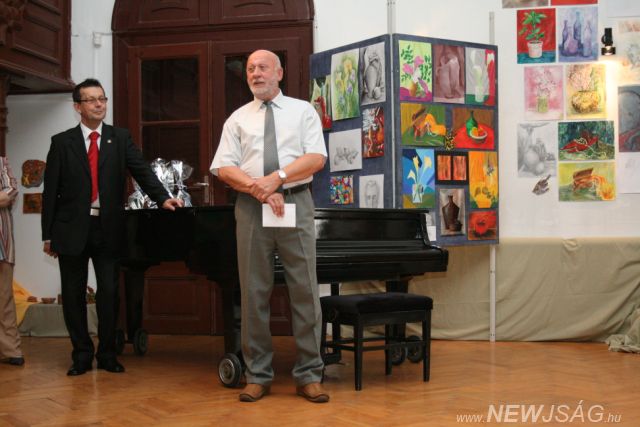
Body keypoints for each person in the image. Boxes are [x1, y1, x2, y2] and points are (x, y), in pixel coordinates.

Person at [42, 78, 183, 376]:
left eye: (102, 99)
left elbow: (141, 170)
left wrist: (163, 198)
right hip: (70, 229)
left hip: (108, 227)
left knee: (109, 292)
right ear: (77, 107)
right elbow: (50, 192)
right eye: (91, 100)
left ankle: (107, 354)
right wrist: (48, 235)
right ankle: (81, 355)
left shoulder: (119, 138)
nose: (99, 104)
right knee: (73, 294)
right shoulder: (62, 142)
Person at [210, 50, 329, 403]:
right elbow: (224, 167)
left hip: (295, 202)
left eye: (263, 67)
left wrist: (277, 179)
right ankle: (258, 375)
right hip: (251, 207)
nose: (256, 73)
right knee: (253, 293)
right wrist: (259, 190)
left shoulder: (303, 111)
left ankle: (309, 374)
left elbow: (316, 158)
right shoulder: (237, 119)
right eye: (250, 69)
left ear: (280, 72)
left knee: (305, 291)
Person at [0, 157, 23, 367]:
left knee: (4, 299)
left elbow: (10, 193)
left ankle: (11, 350)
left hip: (2, 246)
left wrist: (3, 196)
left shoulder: (1, 162)